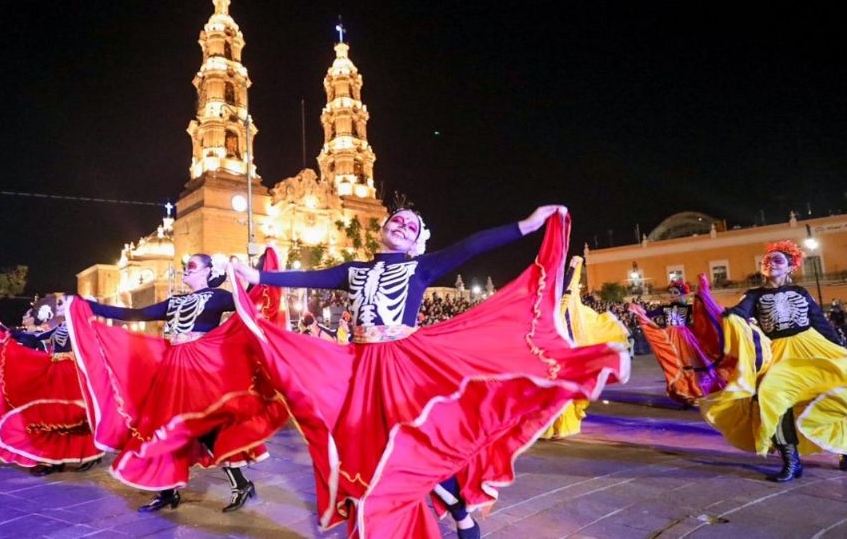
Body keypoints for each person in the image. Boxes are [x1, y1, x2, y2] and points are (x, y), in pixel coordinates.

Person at [229, 200, 629, 539]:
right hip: (362, 366)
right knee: (366, 442)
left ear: (417, 239)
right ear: (382, 230)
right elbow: (310, 277)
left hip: (404, 365)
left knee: (417, 440)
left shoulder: (419, 268)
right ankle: (405, 509)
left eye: (411, 225)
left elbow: (471, 246)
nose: (402, 225)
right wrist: (257, 276)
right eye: (396, 221)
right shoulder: (355, 271)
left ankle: (458, 510)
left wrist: (527, 225)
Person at [65, 251, 289, 513]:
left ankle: (241, 484)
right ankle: (167, 492)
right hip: (172, 367)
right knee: (160, 426)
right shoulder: (174, 301)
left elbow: (249, 300)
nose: (186, 270)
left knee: (206, 427)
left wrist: (258, 269)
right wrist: (87, 306)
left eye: (192, 266)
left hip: (200, 368)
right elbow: (135, 313)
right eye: (185, 266)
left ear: (208, 271)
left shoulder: (218, 297)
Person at [700, 240, 847, 482]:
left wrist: (841, 350)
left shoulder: (801, 292)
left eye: (778, 260)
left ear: (790, 267)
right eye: (766, 261)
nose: (771, 263)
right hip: (778, 353)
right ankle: (791, 461)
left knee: (836, 393)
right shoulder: (753, 295)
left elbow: (819, 322)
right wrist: (727, 313)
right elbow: (740, 311)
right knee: (775, 401)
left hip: (812, 345)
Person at [0, 300, 103, 474]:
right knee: (52, 417)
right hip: (56, 372)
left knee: (77, 418)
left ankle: (93, 454)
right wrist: (1, 327)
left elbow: (94, 353)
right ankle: (55, 460)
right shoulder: (60, 327)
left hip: (75, 374)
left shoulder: (87, 328)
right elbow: (32, 337)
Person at [542, 256, 631, 439]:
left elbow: (567, 289)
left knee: (561, 386)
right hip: (554, 351)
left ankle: (560, 426)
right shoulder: (555, 303)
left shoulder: (565, 306)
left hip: (564, 350)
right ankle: (555, 426)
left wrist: (573, 267)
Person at [629, 274, 726, 407]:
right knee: (675, 365)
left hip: (685, 337)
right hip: (670, 337)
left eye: (675, 293)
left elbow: (703, 311)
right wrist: (638, 310)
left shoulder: (688, 308)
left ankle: (694, 392)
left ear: (682, 294)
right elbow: (648, 314)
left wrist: (703, 290)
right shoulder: (664, 308)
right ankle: (684, 393)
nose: (672, 295)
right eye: (671, 293)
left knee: (689, 365)